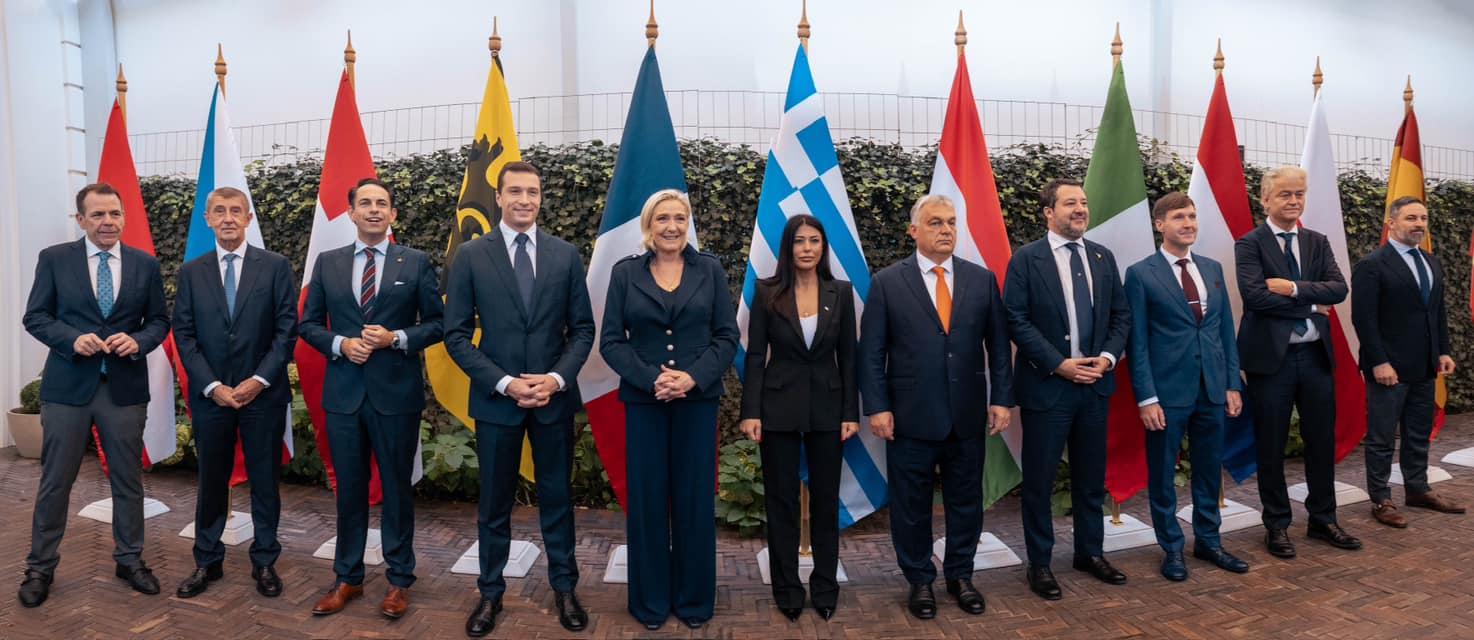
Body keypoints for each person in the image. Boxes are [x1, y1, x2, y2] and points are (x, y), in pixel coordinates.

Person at [444, 161, 596, 637]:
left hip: (552, 402)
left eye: (532, 191)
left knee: (557, 499)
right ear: (500, 197)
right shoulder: (471, 255)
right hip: (497, 402)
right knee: (494, 505)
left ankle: (565, 588)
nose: (524, 200)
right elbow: (456, 336)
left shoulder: (566, 254)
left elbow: (583, 329)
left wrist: (555, 378)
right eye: (515, 192)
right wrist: (506, 382)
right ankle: (490, 595)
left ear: (541, 197)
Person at [858, 194, 1013, 620]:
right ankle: (920, 580)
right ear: (914, 231)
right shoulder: (888, 282)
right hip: (909, 418)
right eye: (934, 223)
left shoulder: (981, 280)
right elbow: (871, 353)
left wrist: (1001, 398)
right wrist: (877, 406)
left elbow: (998, 347)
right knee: (911, 506)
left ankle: (961, 576)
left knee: (966, 501)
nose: (945, 230)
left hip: (966, 415)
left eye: (950, 222)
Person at [17, 183, 170, 607]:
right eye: (98, 215)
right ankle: (40, 568)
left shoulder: (144, 265)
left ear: (124, 218)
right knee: (55, 482)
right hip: (67, 389)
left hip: (123, 390)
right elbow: (35, 316)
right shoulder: (54, 260)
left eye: (115, 214)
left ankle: (130, 560)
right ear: (81, 220)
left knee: (127, 481)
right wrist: (71, 339)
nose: (108, 222)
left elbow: (158, 321)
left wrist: (138, 342)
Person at [299, 178, 445, 618]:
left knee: (398, 491)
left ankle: (400, 580)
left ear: (393, 215)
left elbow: (436, 324)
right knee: (350, 492)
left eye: (382, 204)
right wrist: (340, 345)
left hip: (395, 396)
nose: (375, 210)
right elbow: (307, 325)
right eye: (366, 203)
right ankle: (349, 578)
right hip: (344, 396)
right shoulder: (327, 263)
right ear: (351, 213)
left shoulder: (415, 262)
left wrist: (396, 337)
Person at [599, 189, 739, 631]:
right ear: (649, 225)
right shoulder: (625, 274)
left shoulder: (710, 270)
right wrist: (651, 378)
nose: (672, 226)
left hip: (697, 403)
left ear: (688, 223)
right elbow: (611, 342)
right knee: (648, 502)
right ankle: (650, 602)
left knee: (695, 501)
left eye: (680, 217)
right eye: (663, 218)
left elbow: (726, 336)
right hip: (645, 403)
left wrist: (692, 377)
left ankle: (695, 599)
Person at [1003, 179, 1131, 600]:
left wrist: (1108, 358)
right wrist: (1059, 365)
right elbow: (1016, 319)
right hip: (1047, 388)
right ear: (1048, 212)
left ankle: (1088, 553)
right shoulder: (1026, 260)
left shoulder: (1102, 256)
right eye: (1070, 203)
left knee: (1091, 479)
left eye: (1084, 202)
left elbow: (1121, 316)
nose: (1080, 209)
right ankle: (1039, 564)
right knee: (1039, 482)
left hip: (1094, 386)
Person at [171, 186, 298, 600]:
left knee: (264, 481)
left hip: (263, 395)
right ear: (207, 219)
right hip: (213, 398)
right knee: (212, 481)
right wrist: (212, 386)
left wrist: (258, 380)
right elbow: (184, 335)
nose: (227, 217)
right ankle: (207, 561)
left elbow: (285, 331)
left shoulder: (276, 266)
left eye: (235, 211)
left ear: (248, 218)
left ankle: (264, 561)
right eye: (219, 211)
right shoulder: (191, 272)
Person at [1125, 192, 1250, 581]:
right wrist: (1146, 397)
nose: (1189, 223)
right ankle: (1172, 547)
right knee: (1162, 472)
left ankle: (1209, 541)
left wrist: (1232, 383)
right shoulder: (1141, 273)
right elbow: (1137, 343)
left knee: (1210, 470)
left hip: (1212, 390)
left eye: (1193, 216)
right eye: (1179, 217)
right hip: (1166, 394)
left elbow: (1225, 332)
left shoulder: (1212, 268)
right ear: (1160, 225)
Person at [739, 214, 859, 622]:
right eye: (799, 241)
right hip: (777, 410)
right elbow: (756, 356)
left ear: (823, 248)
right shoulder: (767, 291)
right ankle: (787, 588)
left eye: (815, 241)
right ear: (787, 248)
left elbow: (850, 358)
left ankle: (825, 587)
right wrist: (750, 411)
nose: (807, 249)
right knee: (781, 502)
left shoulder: (840, 293)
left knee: (826, 502)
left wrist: (850, 413)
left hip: (829, 410)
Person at [1235, 166, 1359, 558]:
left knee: (1321, 441)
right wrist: (1311, 303)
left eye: (1299, 194)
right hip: (1271, 362)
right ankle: (1277, 525)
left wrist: (1290, 289)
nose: (1293, 201)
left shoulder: (1317, 242)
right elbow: (1255, 298)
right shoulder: (1250, 244)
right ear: (1266, 199)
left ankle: (1323, 519)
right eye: (1285, 194)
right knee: (1271, 445)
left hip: (1315, 357)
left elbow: (1338, 289)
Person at [1351, 196, 1464, 527]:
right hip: (1389, 370)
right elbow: (1364, 319)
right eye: (1411, 218)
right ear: (1392, 223)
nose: (1419, 224)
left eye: (1423, 218)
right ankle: (1381, 499)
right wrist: (1378, 362)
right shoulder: (1372, 265)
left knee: (1417, 434)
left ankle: (1417, 489)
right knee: (1382, 437)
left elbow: (1437, 312)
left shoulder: (1431, 262)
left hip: (1425, 366)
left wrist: (1442, 351)